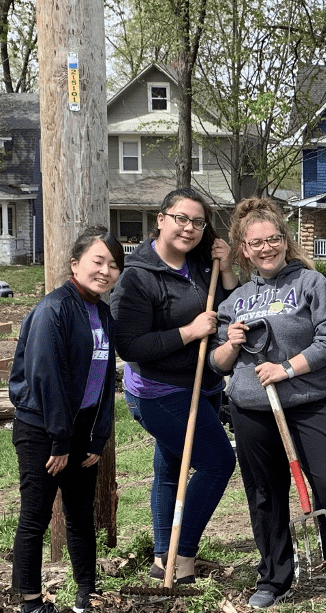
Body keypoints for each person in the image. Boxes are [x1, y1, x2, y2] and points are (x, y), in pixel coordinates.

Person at [209, 197, 326, 613]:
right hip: (251, 409)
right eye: (256, 242)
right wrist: (231, 343)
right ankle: (274, 576)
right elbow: (217, 364)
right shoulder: (235, 300)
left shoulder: (312, 285)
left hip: (311, 404)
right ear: (243, 248)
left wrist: (287, 368)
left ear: (285, 240)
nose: (266, 248)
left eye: (273, 239)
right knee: (265, 494)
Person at [111, 188, 239, 584]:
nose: (189, 228)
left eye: (197, 222)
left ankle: (162, 558)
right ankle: (182, 557)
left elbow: (231, 306)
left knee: (170, 470)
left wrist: (228, 266)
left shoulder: (200, 263)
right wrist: (189, 331)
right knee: (218, 463)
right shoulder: (137, 277)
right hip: (160, 392)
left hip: (203, 384)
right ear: (161, 219)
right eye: (181, 218)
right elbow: (130, 346)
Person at [10, 226, 123, 613]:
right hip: (43, 430)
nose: (106, 271)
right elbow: (46, 378)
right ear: (75, 264)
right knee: (36, 517)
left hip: (79, 433)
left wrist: (95, 438)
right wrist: (59, 440)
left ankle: (86, 593)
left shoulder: (102, 314)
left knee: (80, 514)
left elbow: (104, 381)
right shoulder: (53, 310)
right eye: (98, 261)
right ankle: (30, 607)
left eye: (113, 265)